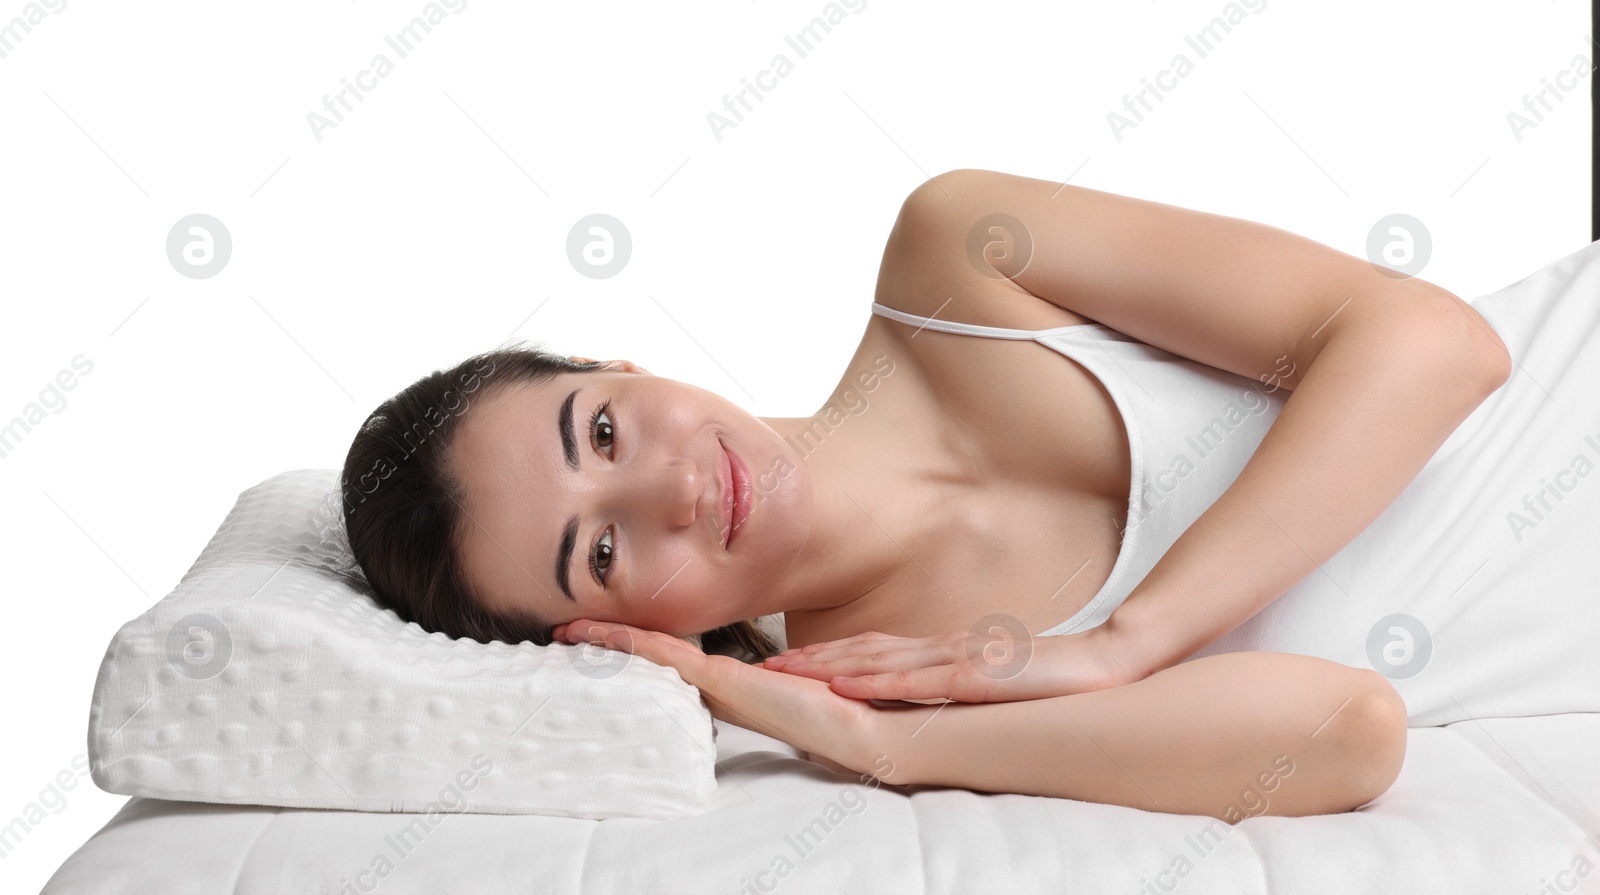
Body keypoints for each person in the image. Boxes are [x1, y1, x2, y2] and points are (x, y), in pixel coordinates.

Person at [341, 168, 1510, 821]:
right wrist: (880, 749)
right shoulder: (890, 689)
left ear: (625, 367)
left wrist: (1123, 642)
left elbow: (1437, 345)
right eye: (598, 554)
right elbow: (1347, 734)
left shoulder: (960, 255)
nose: (671, 485)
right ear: (618, 639)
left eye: (600, 428)